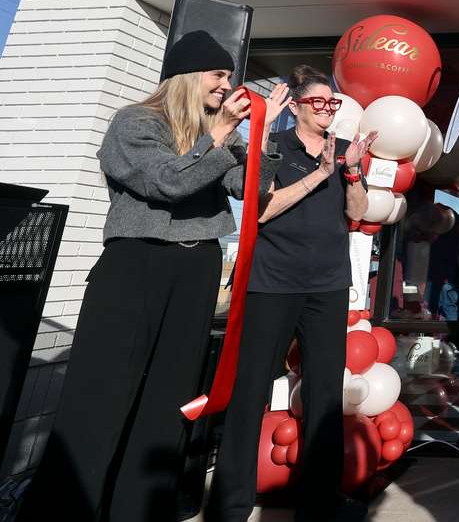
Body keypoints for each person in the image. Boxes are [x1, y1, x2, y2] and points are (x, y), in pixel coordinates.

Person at [18, 31, 287, 522]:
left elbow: (250, 188)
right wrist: (220, 136)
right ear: (187, 75)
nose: (227, 85)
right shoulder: (135, 123)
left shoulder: (215, 133)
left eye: (228, 76)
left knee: (169, 400)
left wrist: (262, 138)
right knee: (100, 396)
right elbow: (167, 182)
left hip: (196, 267)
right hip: (136, 265)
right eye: (218, 74)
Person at [206, 65, 375, 522]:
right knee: (250, 389)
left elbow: (357, 215)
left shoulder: (343, 153)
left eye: (333, 103)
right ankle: (231, 503)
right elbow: (260, 211)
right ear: (296, 107)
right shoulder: (275, 147)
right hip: (273, 283)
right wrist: (319, 175)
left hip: (328, 286)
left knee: (324, 395)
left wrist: (353, 173)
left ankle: (319, 502)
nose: (328, 110)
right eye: (319, 102)